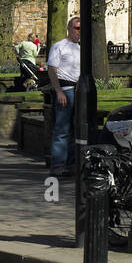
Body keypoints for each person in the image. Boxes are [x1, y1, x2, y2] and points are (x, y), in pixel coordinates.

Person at [46, 15, 81, 176]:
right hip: (65, 90)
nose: (79, 32)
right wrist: (59, 91)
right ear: (69, 29)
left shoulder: (81, 49)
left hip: (78, 90)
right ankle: (58, 165)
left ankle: (72, 163)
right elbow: (52, 70)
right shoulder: (59, 46)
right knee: (61, 128)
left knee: (75, 129)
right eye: (77, 28)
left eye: (81, 29)